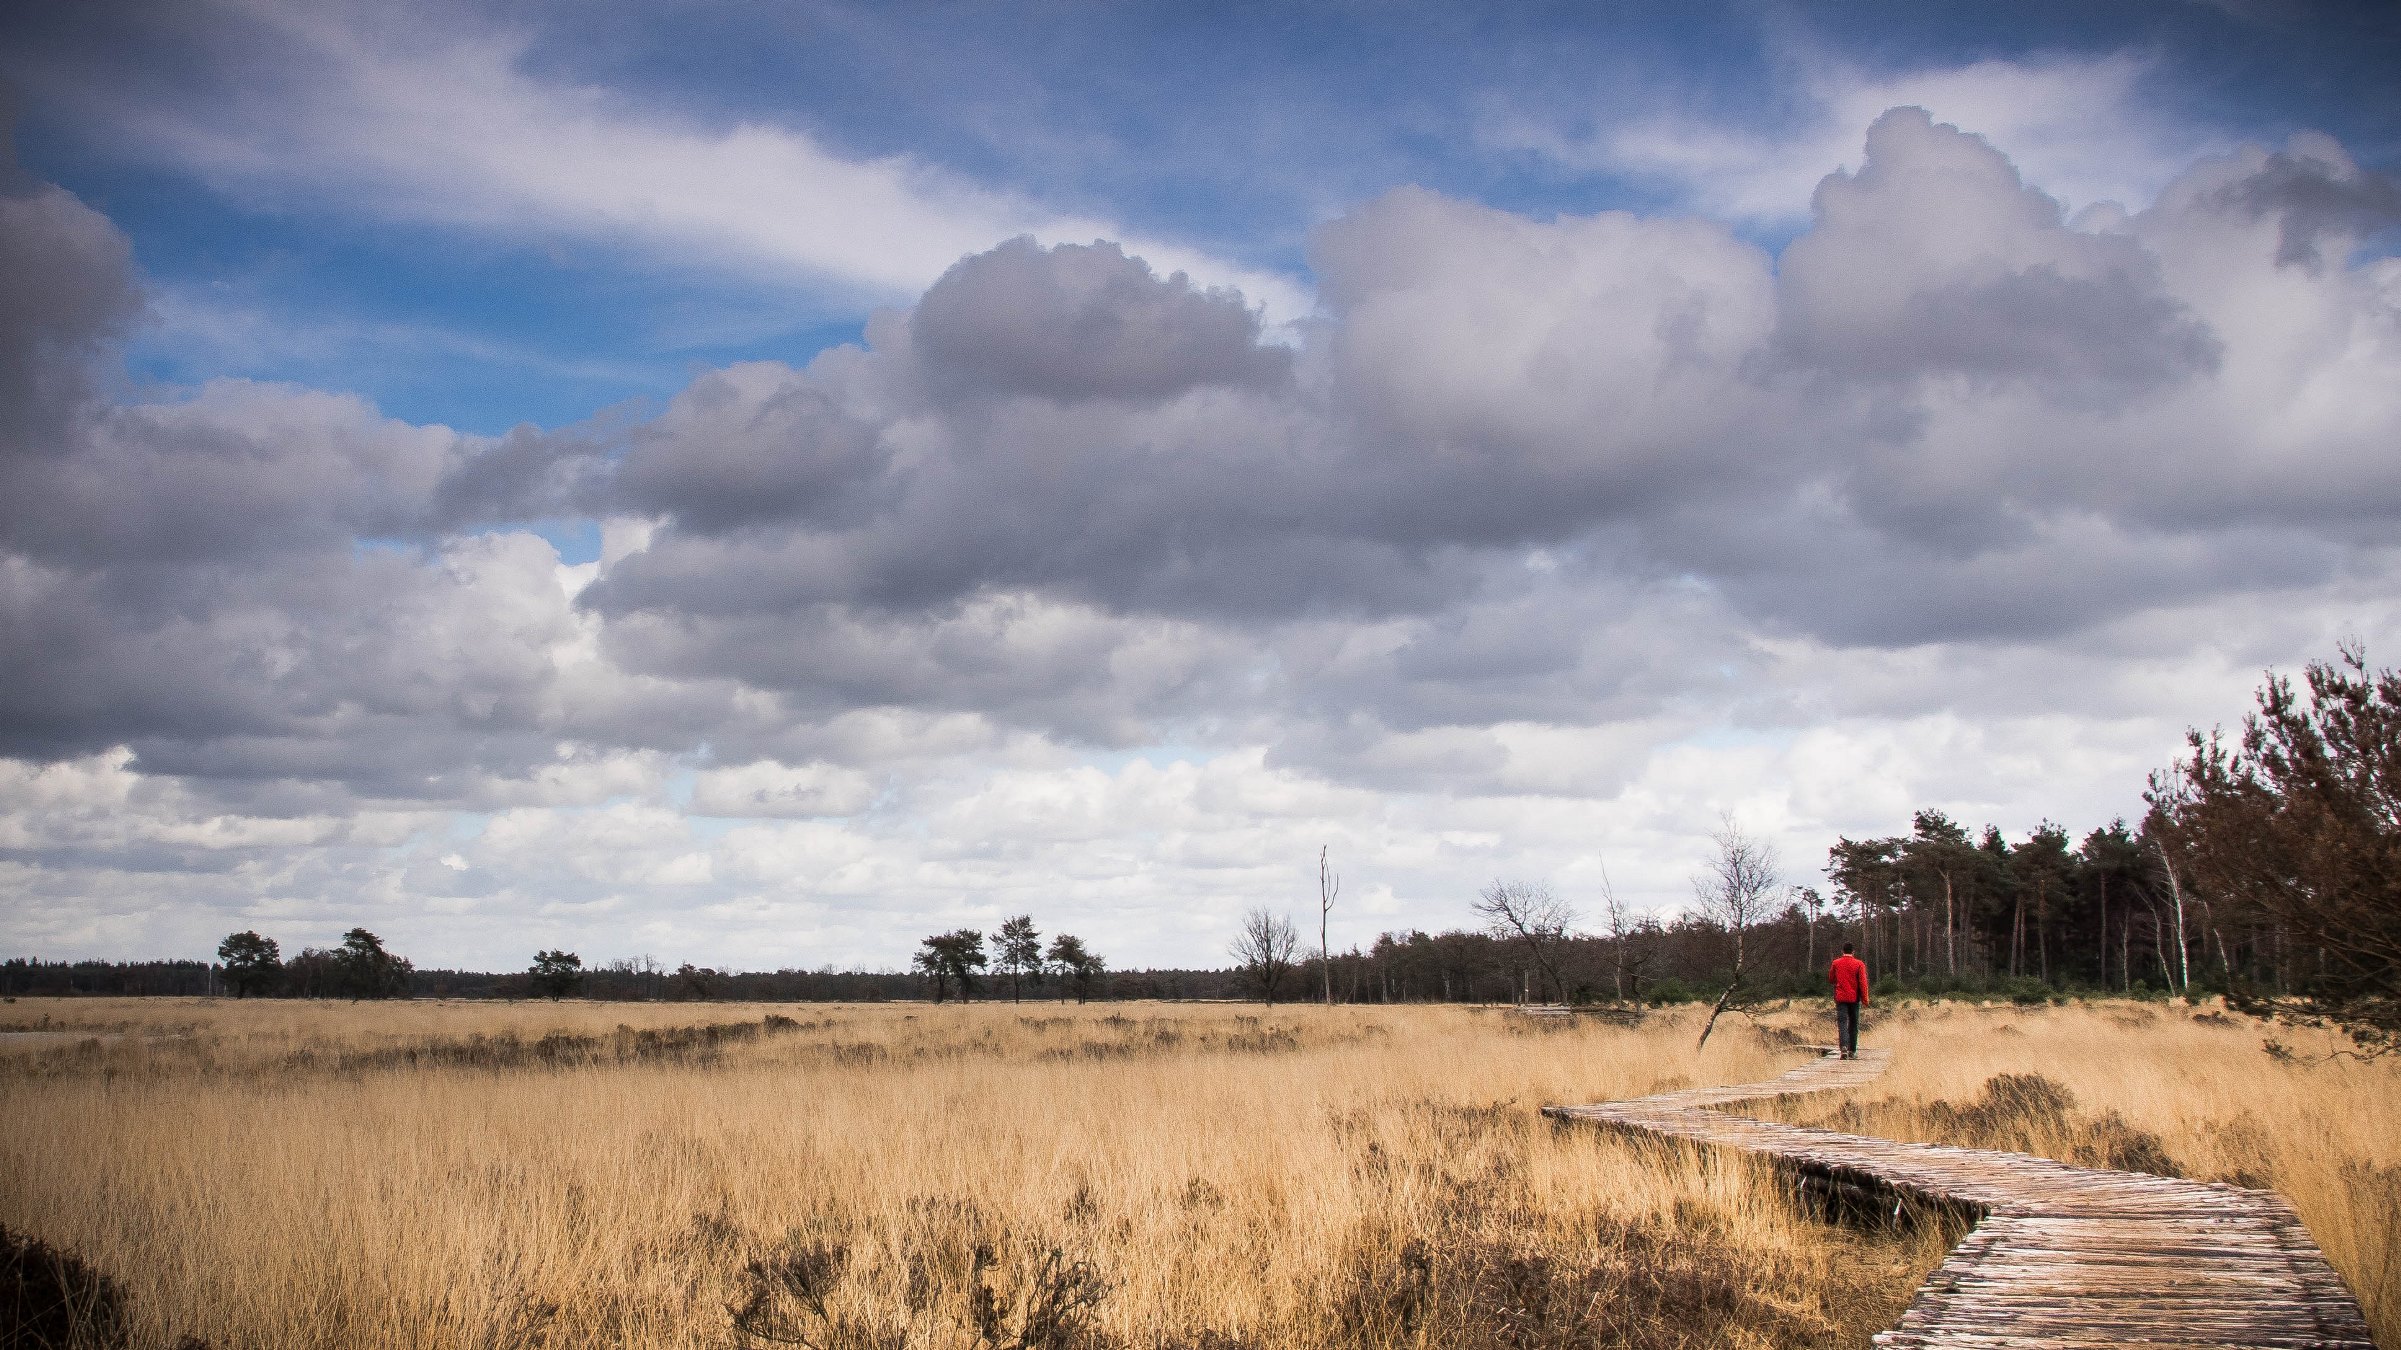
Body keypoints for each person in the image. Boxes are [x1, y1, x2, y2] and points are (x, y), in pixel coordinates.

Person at [1830, 943, 1869, 1059]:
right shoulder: (1859, 964)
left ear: (1843, 951)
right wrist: (1865, 999)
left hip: (1841, 997)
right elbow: (1863, 983)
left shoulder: (1836, 963)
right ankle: (1852, 1050)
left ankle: (1844, 1048)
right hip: (1854, 998)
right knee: (1853, 1023)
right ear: (1853, 951)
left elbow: (1831, 979)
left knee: (1842, 1023)